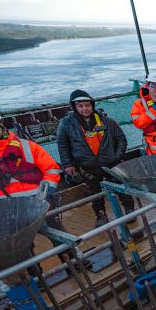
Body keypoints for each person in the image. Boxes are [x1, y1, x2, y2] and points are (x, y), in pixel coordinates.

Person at [56, 89, 135, 227]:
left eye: (87, 105)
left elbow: (121, 140)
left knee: (121, 186)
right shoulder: (66, 124)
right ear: (74, 107)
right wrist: (67, 164)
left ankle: (129, 209)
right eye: (80, 106)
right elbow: (62, 145)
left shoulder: (108, 122)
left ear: (92, 105)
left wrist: (116, 156)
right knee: (94, 192)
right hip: (86, 166)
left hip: (111, 164)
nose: (85, 109)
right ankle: (101, 214)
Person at [0, 112, 61, 199]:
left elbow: (52, 170)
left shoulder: (29, 146)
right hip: (3, 208)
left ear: (1, 126)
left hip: (36, 201)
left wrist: (46, 192)